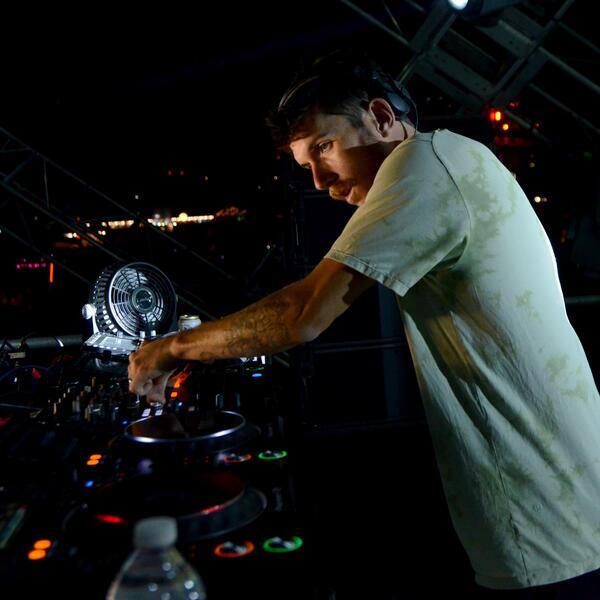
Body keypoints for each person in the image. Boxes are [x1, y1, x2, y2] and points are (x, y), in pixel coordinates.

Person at [128, 50, 600, 596]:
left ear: (380, 116)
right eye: (304, 165)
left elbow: (304, 314)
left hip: (544, 513)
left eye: (324, 147)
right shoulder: (457, 155)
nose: (318, 180)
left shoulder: (422, 166)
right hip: (567, 488)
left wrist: (171, 349)